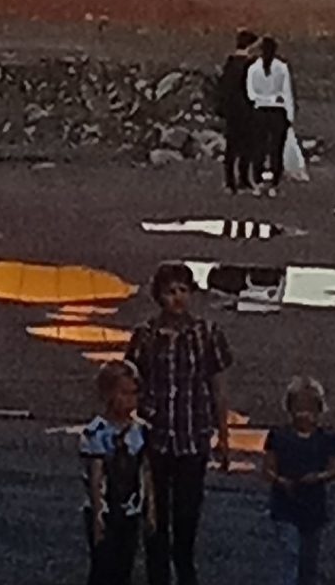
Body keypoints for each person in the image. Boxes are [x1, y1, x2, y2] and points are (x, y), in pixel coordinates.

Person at [123, 261, 232, 585]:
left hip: (193, 436)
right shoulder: (145, 336)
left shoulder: (207, 334)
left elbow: (218, 385)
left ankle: (185, 570)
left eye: (183, 290)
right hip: (154, 437)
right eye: (171, 291)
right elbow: (130, 385)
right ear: (159, 295)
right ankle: (158, 576)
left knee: (187, 514)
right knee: (155, 516)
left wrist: (224, 436)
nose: (178, 298)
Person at [263, 376, 335, 585]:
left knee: (309, 563)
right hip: (285, 507)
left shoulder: (327, 439)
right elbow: (268, 469)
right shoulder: (278, 437)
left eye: (309, 407)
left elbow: (334, 470)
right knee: (290, 555)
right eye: (299, 406)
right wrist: (281, 481)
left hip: (314, 508)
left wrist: (317, 477)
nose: (304, 413)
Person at [80, 358, 150, 585]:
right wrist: (99, 514)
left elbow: (146, 472)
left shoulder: (141, 430)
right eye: (124, 393)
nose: (130, 400)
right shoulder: (96, 432)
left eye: (134, 393)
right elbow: (96, 475)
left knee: (124, 566)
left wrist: (151, 510)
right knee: (102, 567)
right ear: (108, 393)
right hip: (104, 511)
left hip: (131, 509)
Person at [245, 37, 294, 196]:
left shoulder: (253, 69)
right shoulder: (281, 68)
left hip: (260, 111)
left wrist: (265, 99)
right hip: (277, 112)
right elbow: (287, 93)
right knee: (276, 149)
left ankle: (258, 182)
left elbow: (251, 95)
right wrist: (289, 113)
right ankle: (273, 183)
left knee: (259, 147)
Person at [216, 30, 259, 196]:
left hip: (232, 112)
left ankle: (229, 180)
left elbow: (223, 89)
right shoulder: (250, 66)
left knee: (232, 147)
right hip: (247, 111)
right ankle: (243, 179)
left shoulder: (230, 64)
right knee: (247, 146)